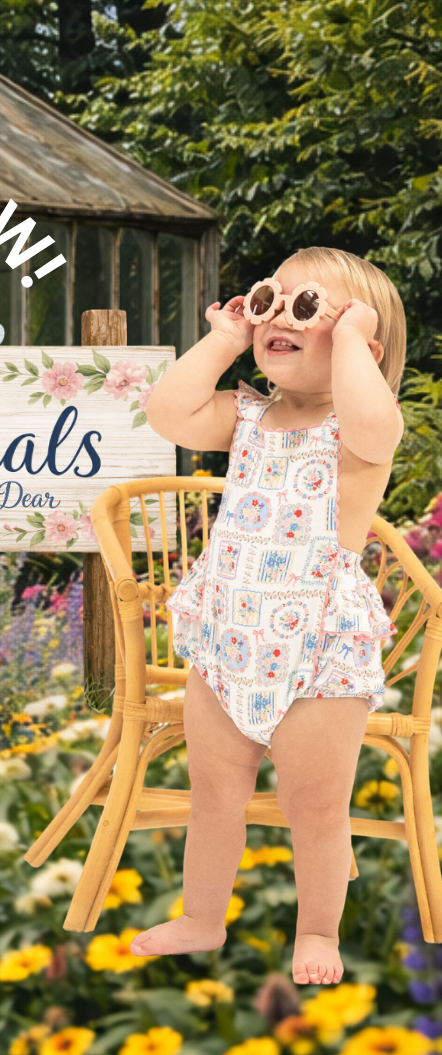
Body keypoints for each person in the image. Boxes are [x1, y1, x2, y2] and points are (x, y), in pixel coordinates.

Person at [137, 247, 406, 984]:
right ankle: (201, 918)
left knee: (313, 807)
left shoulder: (357, 432)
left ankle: (318, 931)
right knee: (214, 796)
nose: (278, 318)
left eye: (308, 308)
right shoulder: (247, 416)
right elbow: (167, 411)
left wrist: (351, 341)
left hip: (318, 649)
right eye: (269, 301)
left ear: (361, 344)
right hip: (228, 640)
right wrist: (225, 337)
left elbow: (378, 427)